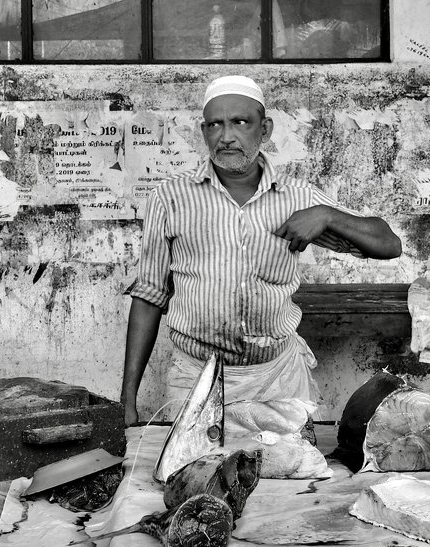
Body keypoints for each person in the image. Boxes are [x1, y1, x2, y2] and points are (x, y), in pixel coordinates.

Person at [121, 75, 401, 429]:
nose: (226, 137)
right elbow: (149, 297)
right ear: (203, 132)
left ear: (264, 129)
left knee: (290, 476)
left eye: (240, 122)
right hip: (196, 379)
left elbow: (389, 244)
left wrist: (327, 215)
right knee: (199, 478)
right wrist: (127, 400)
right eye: (215, 125)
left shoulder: (299, 198)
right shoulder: (171, 198)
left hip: (277, 379)